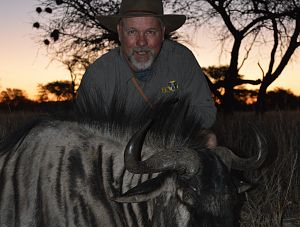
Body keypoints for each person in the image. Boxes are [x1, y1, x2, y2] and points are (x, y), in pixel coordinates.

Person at [75, 0, 217, 145]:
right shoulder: (97, 75)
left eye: (150, 32)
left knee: (209, 140)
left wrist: (165, 128)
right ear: (120, 32)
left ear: (162, 32)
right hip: (119, 149)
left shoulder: (182, 59)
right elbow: (85, 135)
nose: (141, 42)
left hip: (171, 141)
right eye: (132, 32)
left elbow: (206, 113)